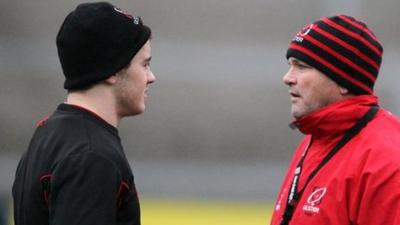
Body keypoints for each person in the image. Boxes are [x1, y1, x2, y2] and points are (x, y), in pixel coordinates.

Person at [12, 2, 155, 225]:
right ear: (113, 70)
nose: (151, 77)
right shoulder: (92, 156)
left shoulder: (48, 133)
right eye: (144, 65)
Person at [270, 15, 400, 225]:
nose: (287, 77)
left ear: (344, 82)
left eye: (301, 66)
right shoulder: (316, 139)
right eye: (290, 64)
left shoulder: (386, 160)